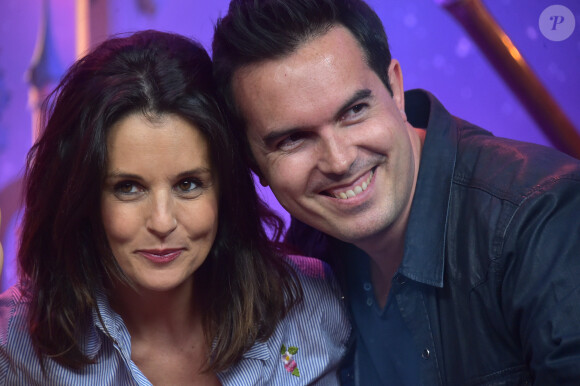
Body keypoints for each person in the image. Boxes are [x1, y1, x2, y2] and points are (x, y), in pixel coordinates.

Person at [211, 0, 580, 384]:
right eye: (293, 138)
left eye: (353, 111)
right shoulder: (310, 251)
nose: (338, 160)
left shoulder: (544, 219)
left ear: (396, 89)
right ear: (253, 163)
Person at [0, 30, 350, 385]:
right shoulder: (14, 342)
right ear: (83, 197)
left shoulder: (314, 304)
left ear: (224, 189)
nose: (162, 222)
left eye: (188, 184)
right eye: (128, 188)